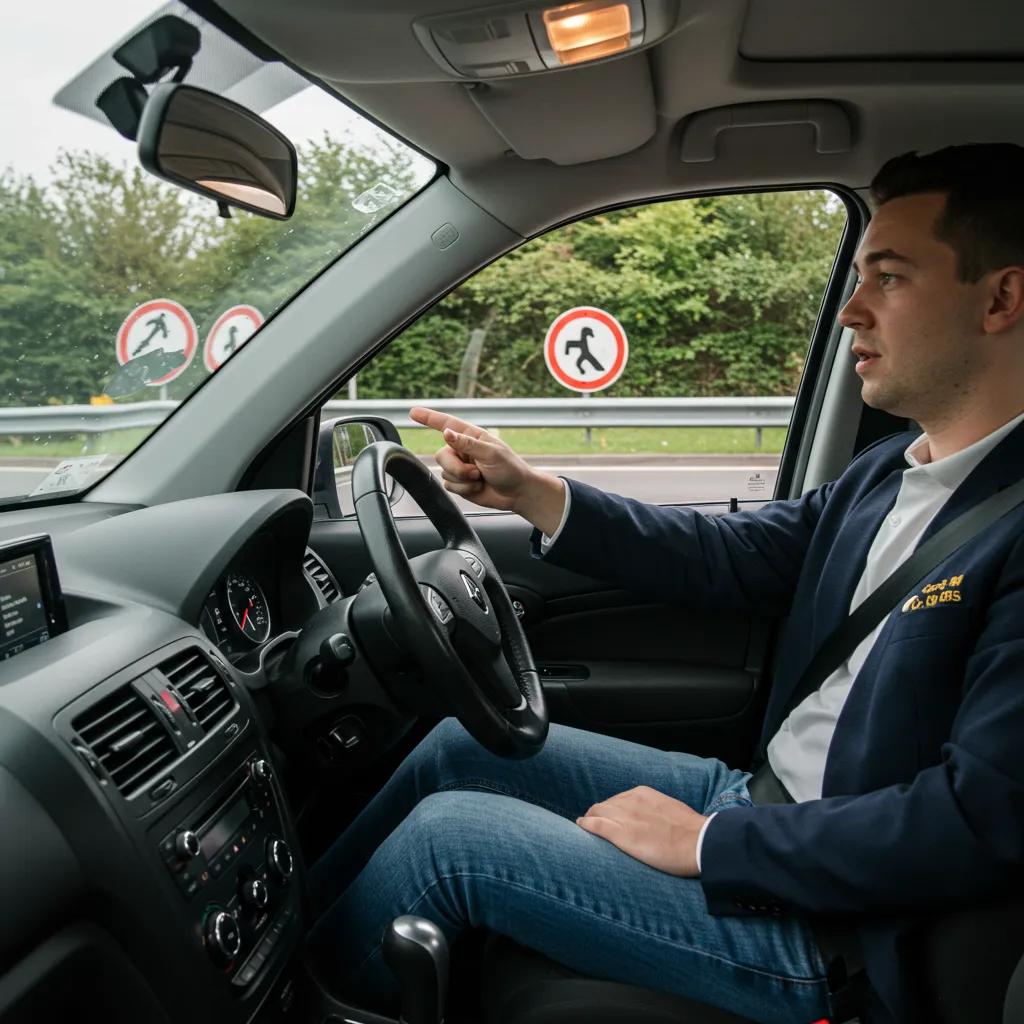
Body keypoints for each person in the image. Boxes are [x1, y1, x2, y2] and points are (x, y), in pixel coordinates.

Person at [305, 144, 1024, 1024]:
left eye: (892, 277)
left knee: (451, 841)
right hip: (766, 804)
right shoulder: (892, 470)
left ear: (1000, 299)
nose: (852, 309)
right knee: (461, 750)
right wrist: (533, 493)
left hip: (840, 929)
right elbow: (732, 554)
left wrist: (717, 843)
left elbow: (979, 818)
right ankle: (298, 955)